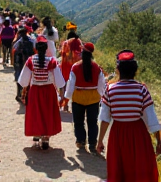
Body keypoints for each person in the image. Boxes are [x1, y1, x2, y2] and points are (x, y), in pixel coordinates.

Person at [97, 49, 161, 182]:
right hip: (138, 134)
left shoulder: (110, 90)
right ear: (135, 70)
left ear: (118, 70)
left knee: (119, 169)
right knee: (138, 168)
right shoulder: (141, 89)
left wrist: (100, 141)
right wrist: (159, 141)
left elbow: (105, 119)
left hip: (118, 134)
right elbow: (151, 119)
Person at [18, 35, 65, 149]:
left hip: (35, 91)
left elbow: (23, 81)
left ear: (36, 48)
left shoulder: (31, 60)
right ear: (46, 48)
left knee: (36, 113)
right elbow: (59, 81)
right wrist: (61, 93)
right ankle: (46, 138)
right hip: (48, 91)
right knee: (47, 113)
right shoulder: (52, 61)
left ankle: (37, 134)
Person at [65, 42, 106, 152]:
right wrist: (102, 96)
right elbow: (102, 84)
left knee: (78, 121)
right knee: (92, 121)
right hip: (93, 97)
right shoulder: (97, 68)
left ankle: (81, 140)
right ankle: (92, 143)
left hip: (78, 97)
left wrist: (67, 97)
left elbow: (71, 83)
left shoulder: (75, 67)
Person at [59, 30, 82, 111]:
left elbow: (62, 53)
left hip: (65, 67)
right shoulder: (78, 42)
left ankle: (65, 105)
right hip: (75, 67)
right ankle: (75, 105)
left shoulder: (65, 43)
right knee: (75, 87)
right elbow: (81, 54)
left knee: (64, 86)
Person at [13, 26, 35, 103]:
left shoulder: (18, 42)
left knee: (19, 78)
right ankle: (25, 95)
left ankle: (19, 94)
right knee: (27, 79)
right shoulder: (31, 41)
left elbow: (15, 51)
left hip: (20, 63)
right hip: (27, 62)